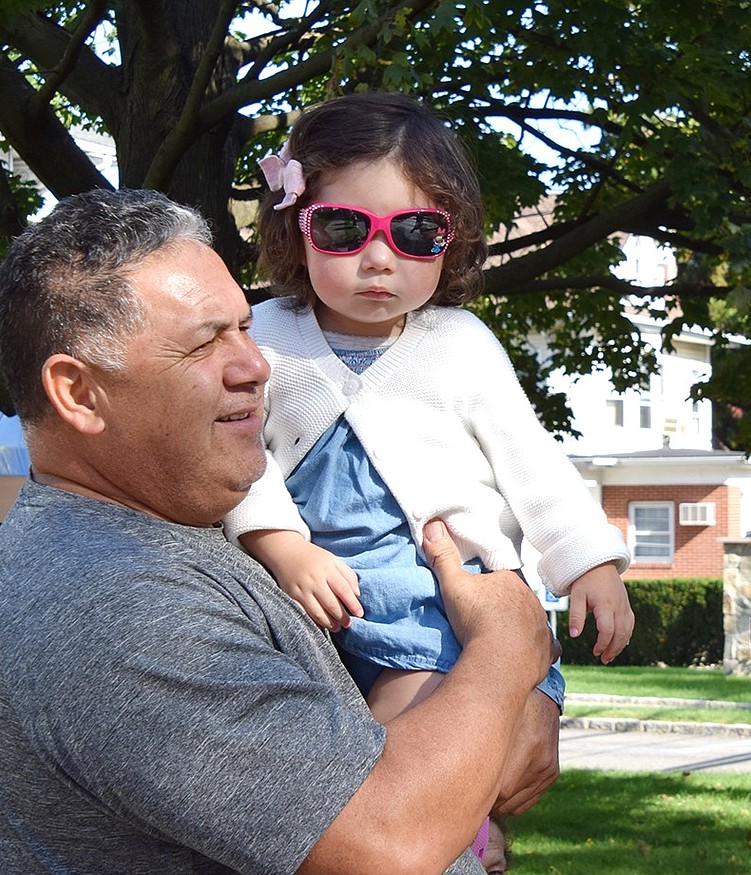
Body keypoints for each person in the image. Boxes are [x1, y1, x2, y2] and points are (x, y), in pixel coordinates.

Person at [0, 186, 559, 874]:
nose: (255, 366)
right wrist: (510, 652)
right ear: (79, 392)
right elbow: (385, 845)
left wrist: (518, 701)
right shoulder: (112, 601)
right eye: (204, 343)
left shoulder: (176, 528)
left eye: (245, 328)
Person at [225, 91, 634, 720]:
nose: (379, 258)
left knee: (417, 742)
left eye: (417, 232)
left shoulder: (460, 344)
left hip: (436, 604)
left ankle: (465, 823)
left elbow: (535, 467)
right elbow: (238, 456)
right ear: (294, 226)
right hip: (302, 603)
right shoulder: (264, 339)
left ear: (454, 238)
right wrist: (281, 545)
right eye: (343, 227)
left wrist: (591, 564)